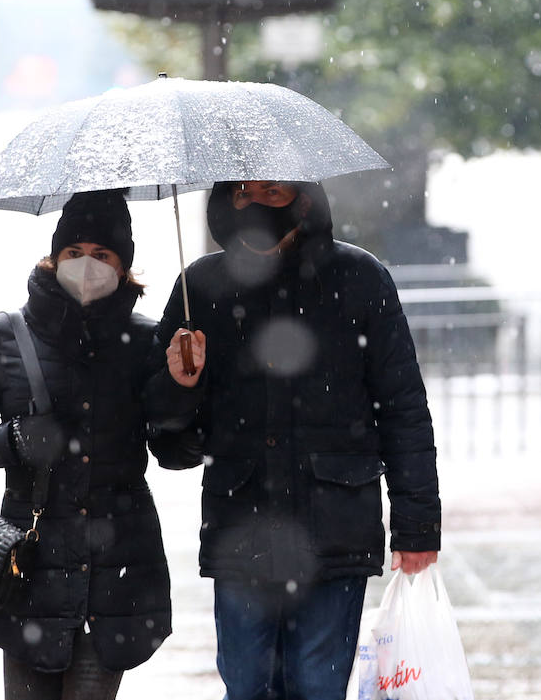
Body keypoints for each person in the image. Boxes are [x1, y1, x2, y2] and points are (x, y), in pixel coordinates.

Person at [145, 179, 442, 700]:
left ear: (303, 199)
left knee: (316, 685)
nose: (256, 203)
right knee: (247, 685)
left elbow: (404, 410)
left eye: (273, 191)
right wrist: (180, 386)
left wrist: (417, 526)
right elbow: (170, 445)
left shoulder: (361, 278)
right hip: (241, 529)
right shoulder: (201, 287)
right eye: (243, 193)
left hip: (336, 527)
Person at [0, 189, 204, 700]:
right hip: (30, 567)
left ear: (123, 267)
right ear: (53, 257)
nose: (87, 266)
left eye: (102, 256)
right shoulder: (4, 336)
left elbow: (178, 450)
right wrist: (14, 440)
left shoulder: (149, 341)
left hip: (117, 568)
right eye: (74, 252)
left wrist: (182, 386)